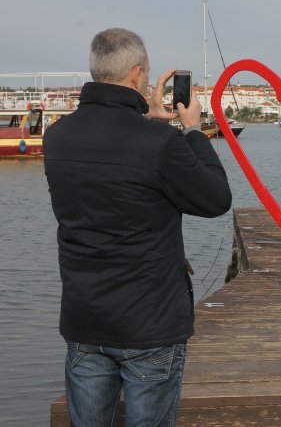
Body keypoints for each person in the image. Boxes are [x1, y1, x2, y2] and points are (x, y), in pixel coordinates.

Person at [44, 28, 232, 426]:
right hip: (151, 324)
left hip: (86, 320)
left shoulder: (57, 138)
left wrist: (145, 117)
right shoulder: (160, 143)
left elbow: (112, 155)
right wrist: (193, 130)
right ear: (136, 74)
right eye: (145, 76)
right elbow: (215, 199)